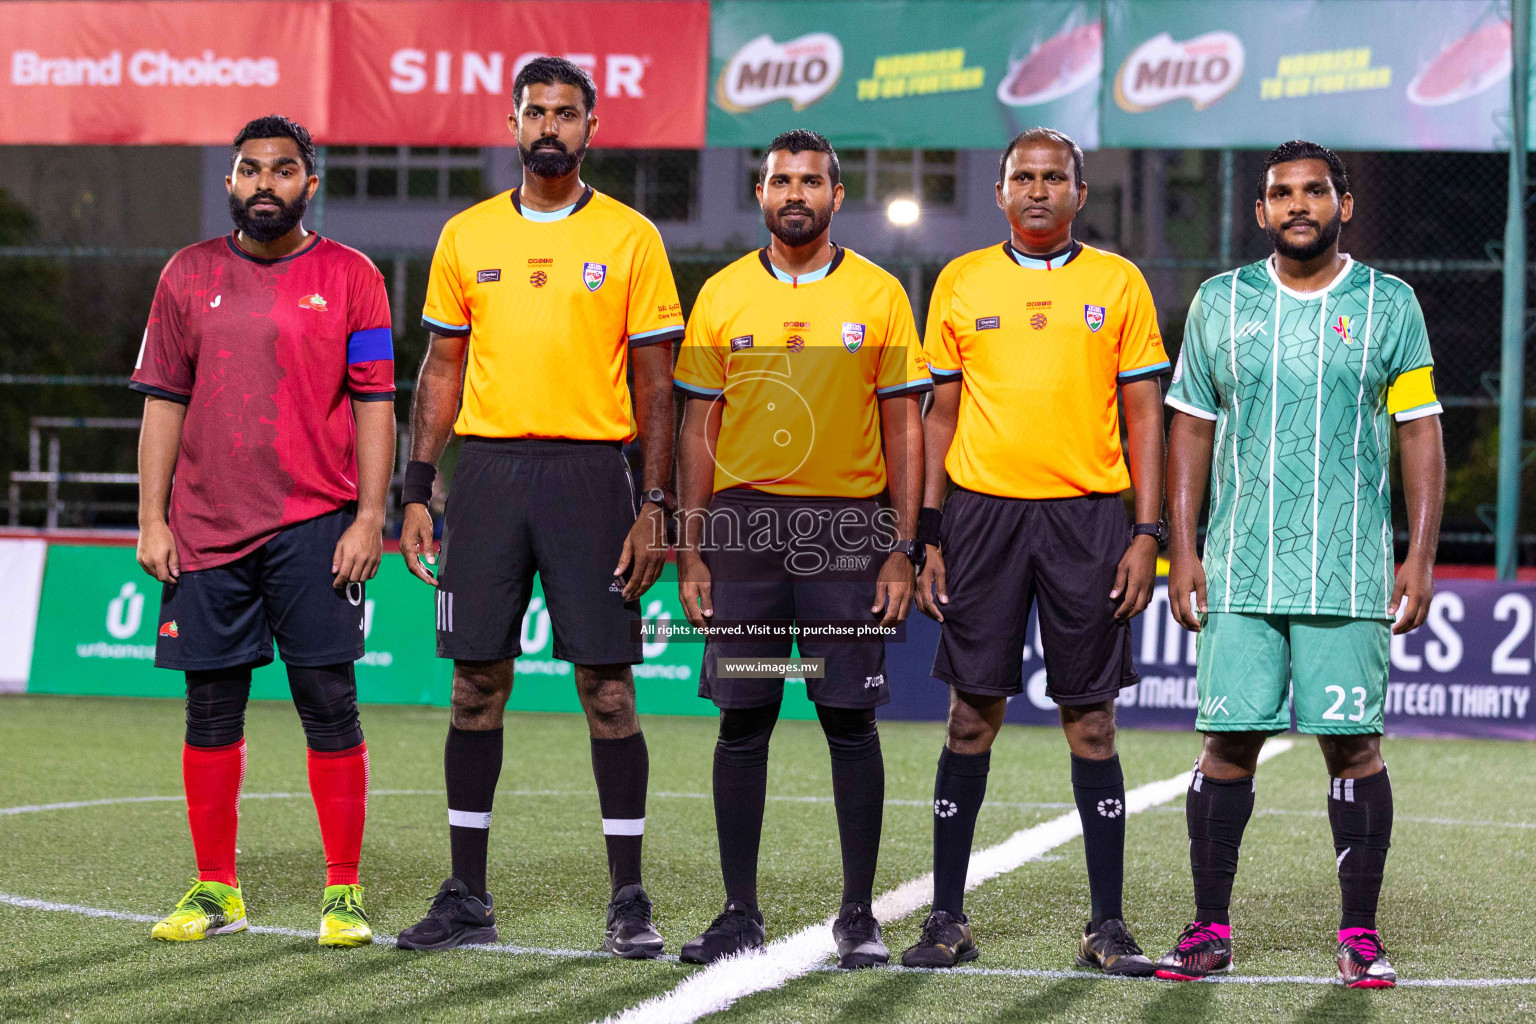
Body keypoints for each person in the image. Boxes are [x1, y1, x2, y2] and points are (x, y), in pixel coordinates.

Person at [394, 57, 682, 957]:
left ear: (592, 128)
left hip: (594, 479)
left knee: (608, 690)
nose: (549, 126)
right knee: (476, 684)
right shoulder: (466, 235)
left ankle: (629, 900)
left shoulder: (632, 237)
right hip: (485, 480)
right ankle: (467, 897)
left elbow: (659, 384)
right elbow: (441, 367)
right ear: (513, 124)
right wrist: (416, 486)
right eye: (535, 112)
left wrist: (657, 504)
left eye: (566, 113)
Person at [1155, 140, 1444, 989]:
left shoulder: (1390, 304)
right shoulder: (1220, 302)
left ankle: (1360, 934)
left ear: (1343, 205)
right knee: (1227, 745)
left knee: (1354, 749)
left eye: (1315, 190)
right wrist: (1184, 548)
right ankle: (1209, 928)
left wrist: (1417, 558)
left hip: (1349, 569)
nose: (1299, 205)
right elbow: (1190, 427)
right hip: (1240, 569)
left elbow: (1419, 429)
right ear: (1261, 211)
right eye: (1282, 193)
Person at [901, 127, 1167, 975]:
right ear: (1000, 190)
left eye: (1055, 177)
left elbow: (1144, 417)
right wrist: (928, 534)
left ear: (1080, 193)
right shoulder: (962, 279)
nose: (1039, 189)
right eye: (1023, 176)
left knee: (1091, 720)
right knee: (970, 714)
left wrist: (1146, 531)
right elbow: (937, 414)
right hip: (982, 518)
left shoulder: (1117, 282)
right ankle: (945, 919)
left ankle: (1107, 926)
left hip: (1088, 520)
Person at [132, 114, 395, 947]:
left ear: (309, 185)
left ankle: (343, 892)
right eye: (250, 170)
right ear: (231, 182)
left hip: (317, 525)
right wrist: (152, 517)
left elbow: (376, 403)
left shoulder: (354, 277)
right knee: (209, 709)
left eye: (283, 171)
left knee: (328, 701)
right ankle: (216, 889)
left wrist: (369, 517)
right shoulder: (186, 274)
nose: (265, 185)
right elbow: (163, 403)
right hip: (205, 530)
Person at [672, 130, 929, 968]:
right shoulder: (721, 296)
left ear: (836, 195)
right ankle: (738, 912)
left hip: (849, 534)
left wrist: (904, 544)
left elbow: (904, 425)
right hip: (744, 536)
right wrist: (693, 545)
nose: (796, 192)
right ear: (760, 193)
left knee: (848, 718)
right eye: (781, 179)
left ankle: (858, 915)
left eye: (811, 181)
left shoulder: (881, 294)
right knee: (744, 717)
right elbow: (697, 430)